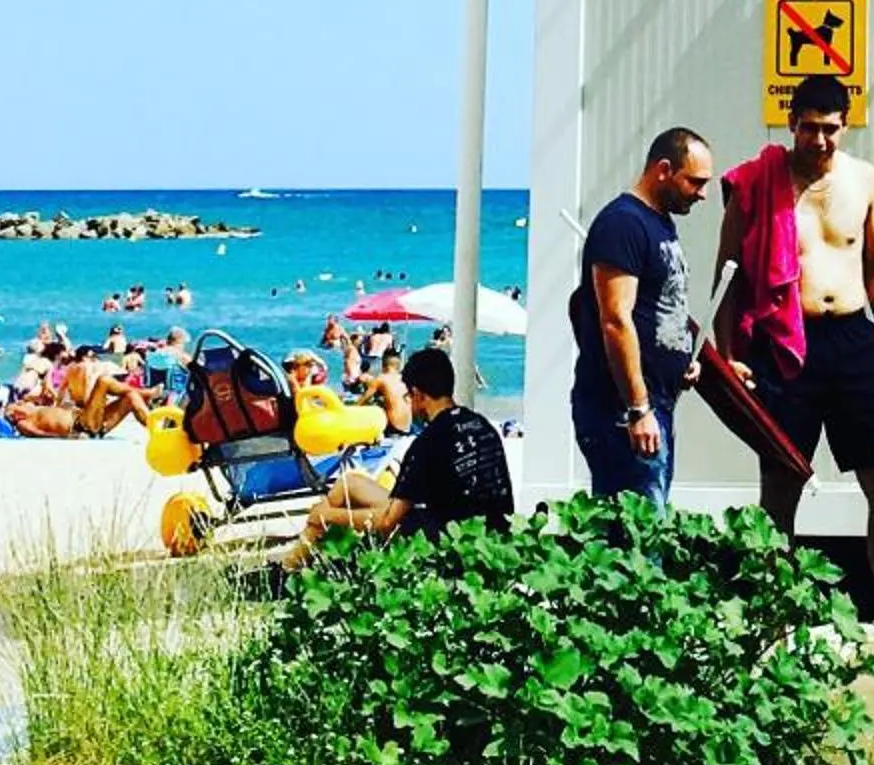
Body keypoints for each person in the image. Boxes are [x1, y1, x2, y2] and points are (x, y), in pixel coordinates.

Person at [715, 74, 874, 669]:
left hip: (853, 338)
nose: (820, 139)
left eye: (831, 128)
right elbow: (730, 274)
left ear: (846, 124)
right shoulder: (758, 183)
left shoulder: (863, 179)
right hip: (784, 344)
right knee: (782, 488)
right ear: (791, 123)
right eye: (810, 127)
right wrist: (730, 354)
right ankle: (771, 633)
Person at [569, 127, 714, 504]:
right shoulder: (622, 224)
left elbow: (660, 307)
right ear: (664, 170)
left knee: (652, 527)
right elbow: (615, 320)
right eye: (695, 182)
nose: (702, 194)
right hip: (622, 413)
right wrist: (637, 408)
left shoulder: (660, 223)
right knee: (637, 541)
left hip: (658, 403)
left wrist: (681, 356)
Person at [281, 346, 514, 567]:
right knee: (349, 483)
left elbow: (387, 522)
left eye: (408, 399)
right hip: (487, 535)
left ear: (418, 394)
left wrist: (328, 516)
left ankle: (289, 569)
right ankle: (292, 564)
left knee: (328, 512)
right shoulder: (481, 424)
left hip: (451, 544)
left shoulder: (428, 442)